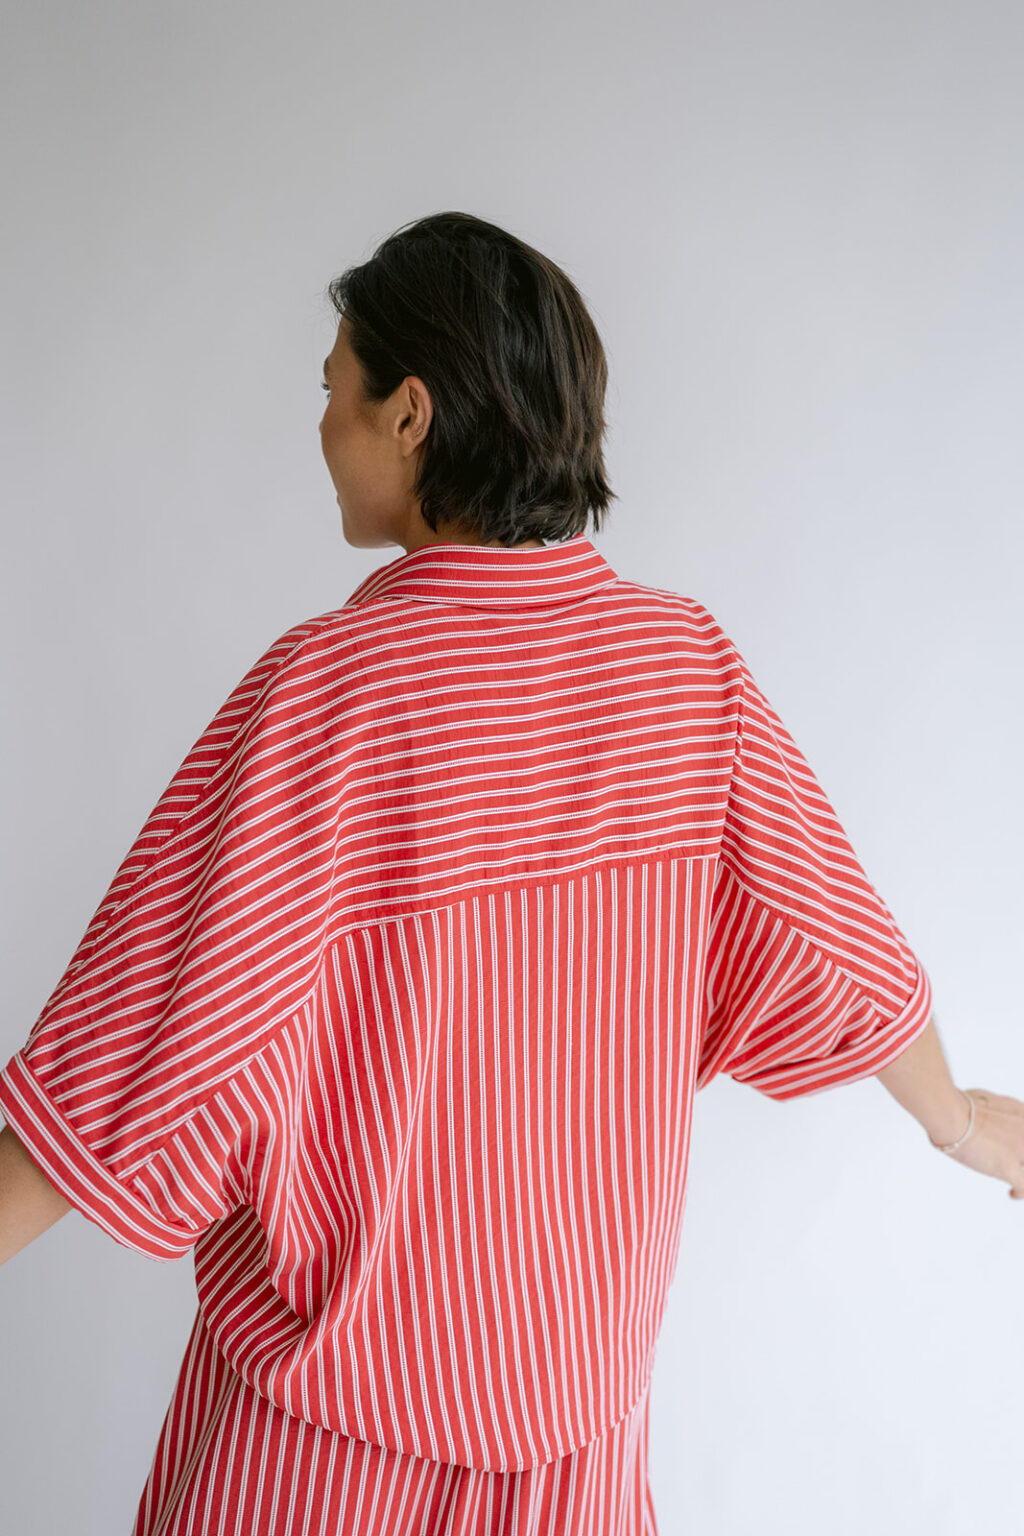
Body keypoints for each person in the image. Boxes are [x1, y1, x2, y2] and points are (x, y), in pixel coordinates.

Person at [1, 209, 1022, 1536]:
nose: (322, 426)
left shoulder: (330, 693)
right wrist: (962, 1122)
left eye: (334, 388)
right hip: (571, 1470)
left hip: (314, 1468)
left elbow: (143, 1057)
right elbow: (840, 954)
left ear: (410, 413)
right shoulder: (685, 672)